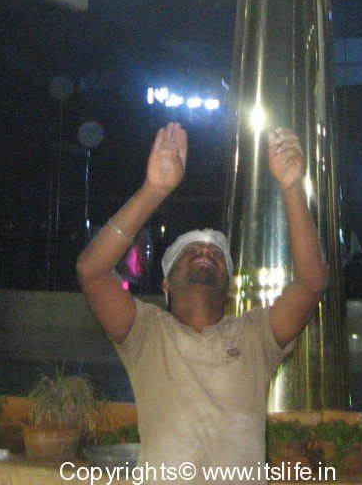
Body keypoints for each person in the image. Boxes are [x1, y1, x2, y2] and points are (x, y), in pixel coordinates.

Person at [77, 122, 328, 483]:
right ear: (166, 282)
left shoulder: (256, 334)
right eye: (190, 251)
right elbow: (91, 271)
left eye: (216, 254)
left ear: (228, 287)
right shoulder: (146, 332)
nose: (205, 253)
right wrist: (153, 190)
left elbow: (312, 283)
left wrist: (292, 189)